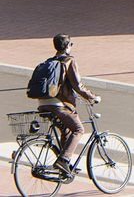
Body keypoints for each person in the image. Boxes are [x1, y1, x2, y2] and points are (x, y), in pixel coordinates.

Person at [30, 34, 99, 180]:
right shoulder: (69, 61)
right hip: (58, 105)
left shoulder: (49, 61)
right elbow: (77, 85)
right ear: (67, 46)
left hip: (43, 104)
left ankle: (64, 167)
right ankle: (63, 160)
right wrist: (92, 97)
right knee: (79, 129)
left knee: (67, 130)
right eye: (70, 44)